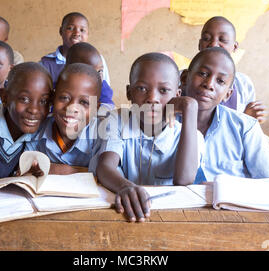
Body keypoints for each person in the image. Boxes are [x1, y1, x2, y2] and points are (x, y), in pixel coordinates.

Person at [91, 53, 203, 222]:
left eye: (164, 90)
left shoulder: (191, 136)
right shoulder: (117, 120)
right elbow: (105, 167)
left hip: (170, 219)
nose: (152, 98)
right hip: (123, 217)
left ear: (177, 95)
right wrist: (125, 187)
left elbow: (183, 179)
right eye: (142, 88)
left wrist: (190, 108)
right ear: (129, 93)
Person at [184, 47, 269, 184]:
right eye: (203, 73)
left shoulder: (245, 127)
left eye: (220, 81)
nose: (209, 84)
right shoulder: (162, 121)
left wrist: (226, 188)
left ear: (228, 94)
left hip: (229, 204)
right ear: (184, 78)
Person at [182, 16, 268, 123]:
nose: (213, 44)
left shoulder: (243, 85)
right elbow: (161, 123)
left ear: (235, 47)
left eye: (222, 40)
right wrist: (168, 118)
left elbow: (244, 127)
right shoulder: (177, 78)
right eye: (206, 38)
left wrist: (247, 120)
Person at [28, 63, 102, 174]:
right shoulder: (37, 129)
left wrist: (62, 170)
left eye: (84, 102)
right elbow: (24, 167)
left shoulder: (101, 136)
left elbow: (104, 173)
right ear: (53, 98)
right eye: (64, 98)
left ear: (95, 108)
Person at [39, 12, 110, 87]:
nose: (76, 33)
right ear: (61, 31)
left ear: (88, 34)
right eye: (70, 28)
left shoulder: (97, 60)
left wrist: (91, 99)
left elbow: (102, 90)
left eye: (82, 30)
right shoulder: (45, 64)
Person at [66, 42, 114, 109]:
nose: (97, 76)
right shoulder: (63, 85)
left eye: (100, 71)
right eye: (90, 72)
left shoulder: (103, 88)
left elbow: (107, 107)